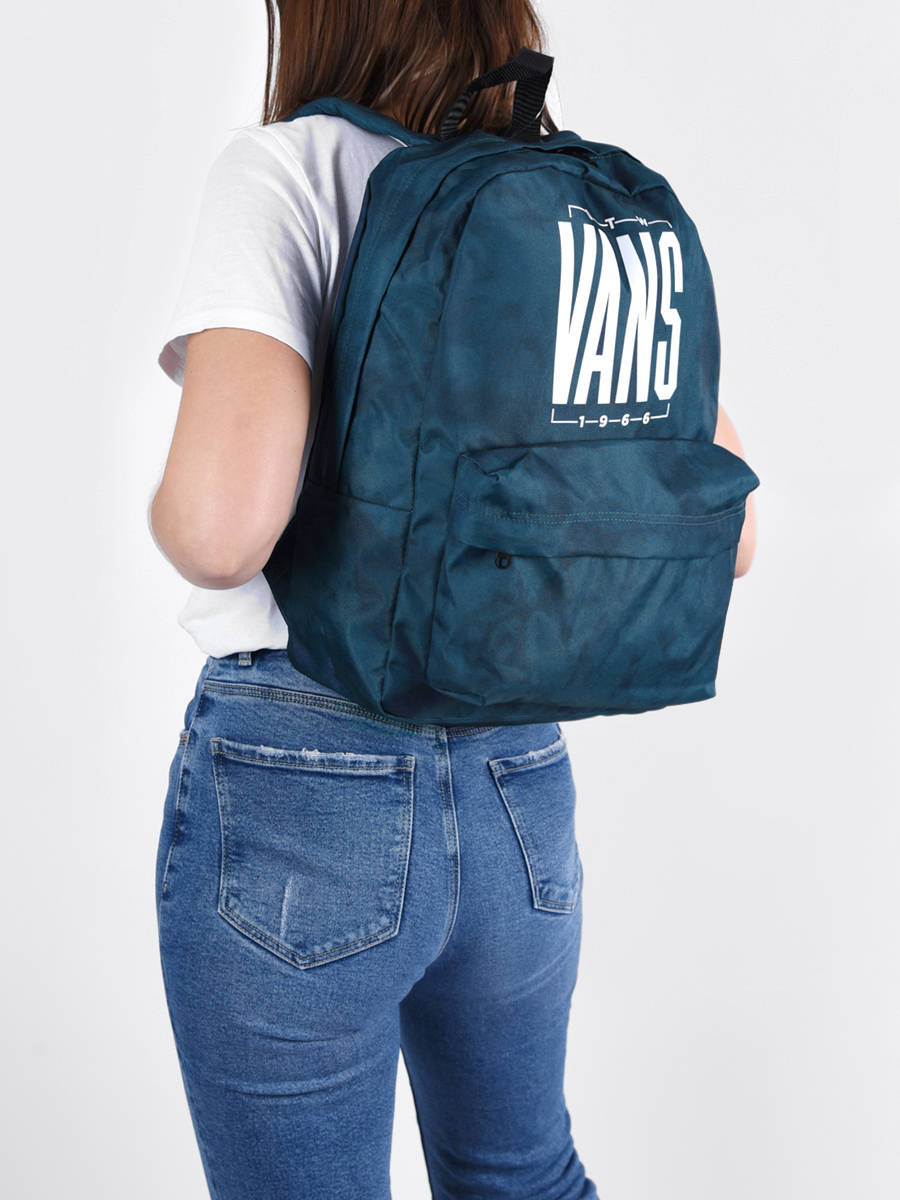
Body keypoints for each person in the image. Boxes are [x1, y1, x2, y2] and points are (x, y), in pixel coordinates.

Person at [149, 3, 757, 1196]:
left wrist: (161, 500)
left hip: (303, 783)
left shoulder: (285, 171)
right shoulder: (572, 204)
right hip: (519, 782)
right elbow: (728, 532)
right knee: (524, 1178)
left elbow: (220, 534)